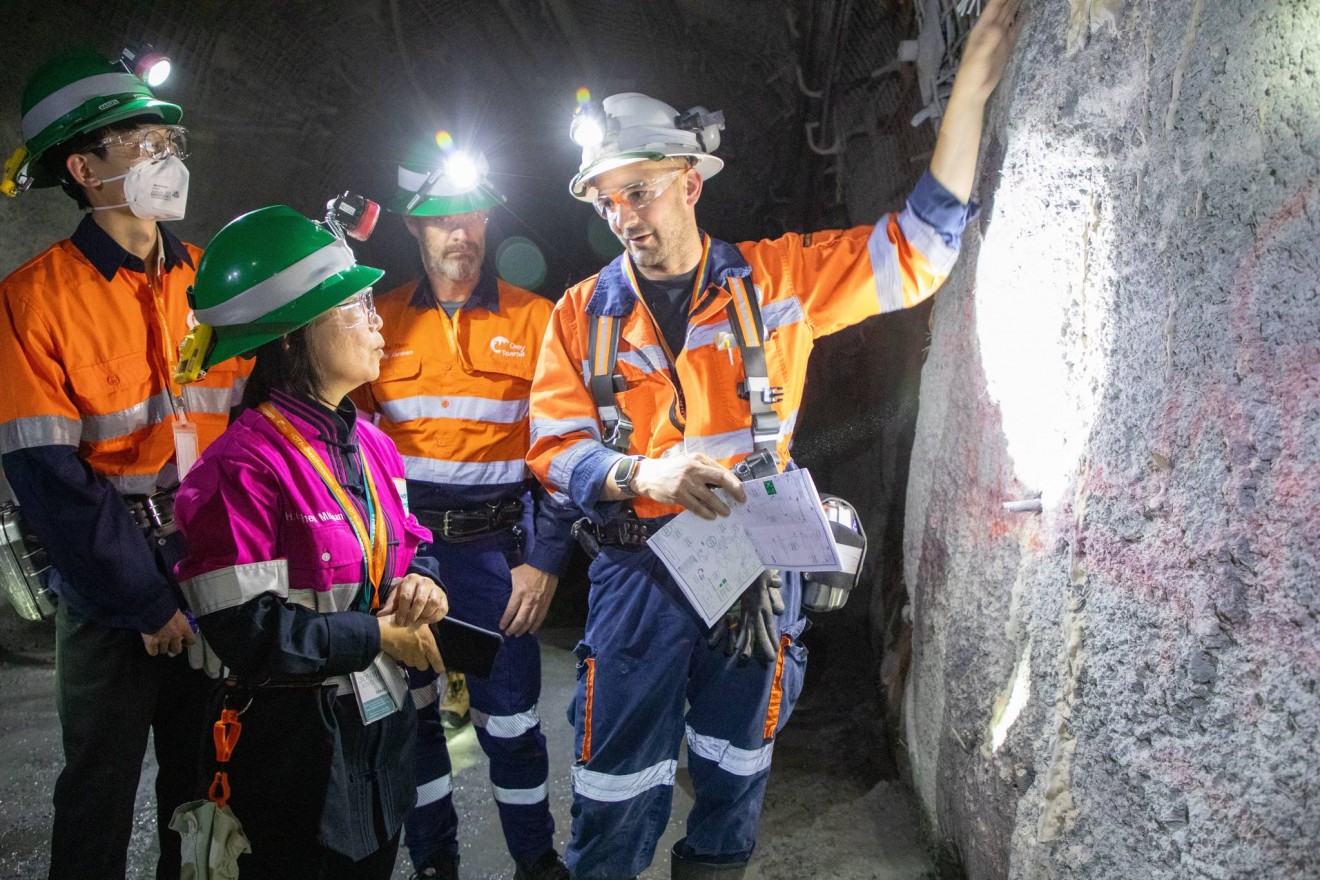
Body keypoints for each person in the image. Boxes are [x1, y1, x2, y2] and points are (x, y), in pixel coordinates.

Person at [526, 2, 1025, 878]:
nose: (625, 217)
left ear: (690, 181)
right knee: (614, 785)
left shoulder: (776, 280)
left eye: (639, 190)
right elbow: (554, 449)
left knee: (733, 771)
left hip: (749, 563)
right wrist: (647, 469)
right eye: (608, 201)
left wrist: (975, 74)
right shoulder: (580, 313)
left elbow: (917, 251)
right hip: (636, 571)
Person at [0, 47, 249, 880]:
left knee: (202, 789)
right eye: (138, 142)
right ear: (82, 167)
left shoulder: (212, 278)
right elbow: (50, 482)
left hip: (212, 572)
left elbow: (253, 429)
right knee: (98, 794)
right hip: (112, 599)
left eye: (165, 136)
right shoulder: (34, 299)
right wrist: (146, 602)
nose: (165, 157)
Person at [171, 203, 450, 878]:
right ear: (293, 336)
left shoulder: (375, 446)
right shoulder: (239, 467)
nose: (377, 318)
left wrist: (424, 583)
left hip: (376, 739)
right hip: (290, 751)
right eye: (354, 305)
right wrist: (378, 636)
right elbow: (247, 631)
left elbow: (409, 548)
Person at [353, 136, 575, 880]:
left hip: (495, 554)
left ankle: (534, 861)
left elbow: (564, 454)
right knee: (416, 718)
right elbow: (347, 453)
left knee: (510, 722)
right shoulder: (373, 322)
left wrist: (542, 560)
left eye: (474, 215)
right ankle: (435, 864)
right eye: (444, 220)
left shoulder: (537, 317)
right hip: (408, 554)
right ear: (413, 228)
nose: (463, 234)